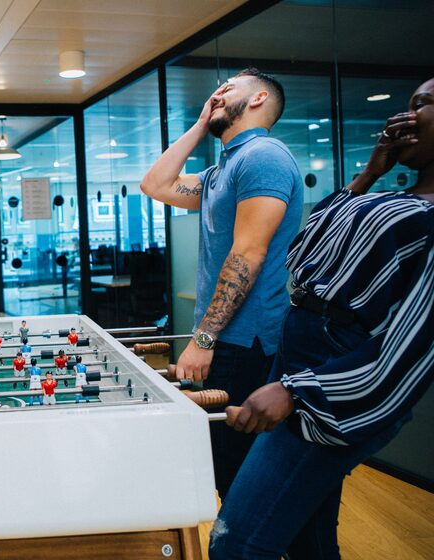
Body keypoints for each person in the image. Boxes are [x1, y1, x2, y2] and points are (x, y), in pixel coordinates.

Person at [209, 78, 434, 559]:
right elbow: (305, 247)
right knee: (309, 541)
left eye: (426, 104)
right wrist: (371, 171)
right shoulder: (391, 196)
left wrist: (296, 392)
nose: (409, 116)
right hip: (300, 355)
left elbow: (410, 348)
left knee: (237, 544)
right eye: (410, 103)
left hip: (335, 387)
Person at [140, 67, 303, 499]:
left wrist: (204, 340)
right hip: (223, 340)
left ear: (259, 99)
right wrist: (198, 124)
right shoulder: (221, 171)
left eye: (228, 87)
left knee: (239, 480)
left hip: (247, 343)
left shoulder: (263, 156)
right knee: (225, 474)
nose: (217, 94)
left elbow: (249, 253)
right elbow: (154, 184)